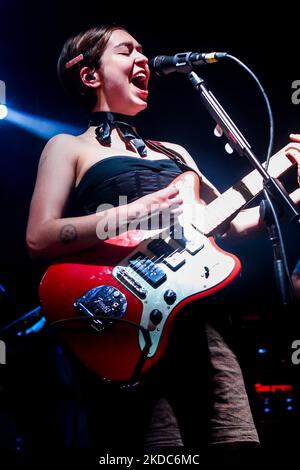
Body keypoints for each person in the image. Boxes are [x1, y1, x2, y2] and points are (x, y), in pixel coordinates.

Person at [26, 25, 300, 456]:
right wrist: (137, 211)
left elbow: (225, 224)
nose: (142, 59)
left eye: (142, 50)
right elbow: (40, 238)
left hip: (202, 323)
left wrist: (293, 190)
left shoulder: (174, 152)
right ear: (90, 76)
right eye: (126, 50)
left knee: (235, 443)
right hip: (126, 324)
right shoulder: (69, 147)